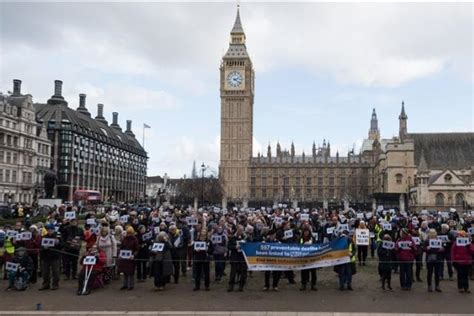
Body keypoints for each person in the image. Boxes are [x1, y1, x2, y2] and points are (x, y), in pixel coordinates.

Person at [39, 223, 62, 290]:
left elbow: (62, 246)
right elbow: (40, 247)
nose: (49, 230)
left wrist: (58, 243)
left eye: (51, 229)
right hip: (46, 257)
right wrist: (44, 247)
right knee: (45, 272)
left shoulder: (58, 237)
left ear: (53, 230)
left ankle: (55, 284)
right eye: (48, 229)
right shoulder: (44, 237)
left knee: (56, 271)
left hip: (55, 257)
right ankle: (46, 284)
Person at [192, 217, 212, 291]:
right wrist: (195, 250)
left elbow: (211, 250)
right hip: (198, 258)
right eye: (202, 232)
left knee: (207, 273)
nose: (203, 234)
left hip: (206, 258)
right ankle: (197, 286)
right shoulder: (196, 240)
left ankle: (207, 286)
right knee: (198, 273)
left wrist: (208, 250)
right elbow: (192, 249)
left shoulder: (208, 241)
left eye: (205, 232)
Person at [118, 226, 139, 290]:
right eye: (128, 233)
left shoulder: (135, 239)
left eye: (130, 233)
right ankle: (125, 284)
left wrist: (133, 255)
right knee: (124, 272)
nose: (129, 234)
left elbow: (137, 249)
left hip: (131, 258)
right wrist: (120, 254)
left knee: (130, 272)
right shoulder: (124, 239)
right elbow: (121, 248)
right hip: (124, 258)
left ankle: (130, 285)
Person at [227, 225, 248, 292]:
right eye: (239, 230)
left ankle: (241, 286)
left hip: (243, 258)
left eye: (242, 230)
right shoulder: (232, 237)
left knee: (243, 273)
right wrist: (235, 247)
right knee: (233, 273)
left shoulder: (246, 237)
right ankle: (231, 286)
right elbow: (229, 246)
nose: (241, 231)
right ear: (237, 230)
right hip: (235, 257)